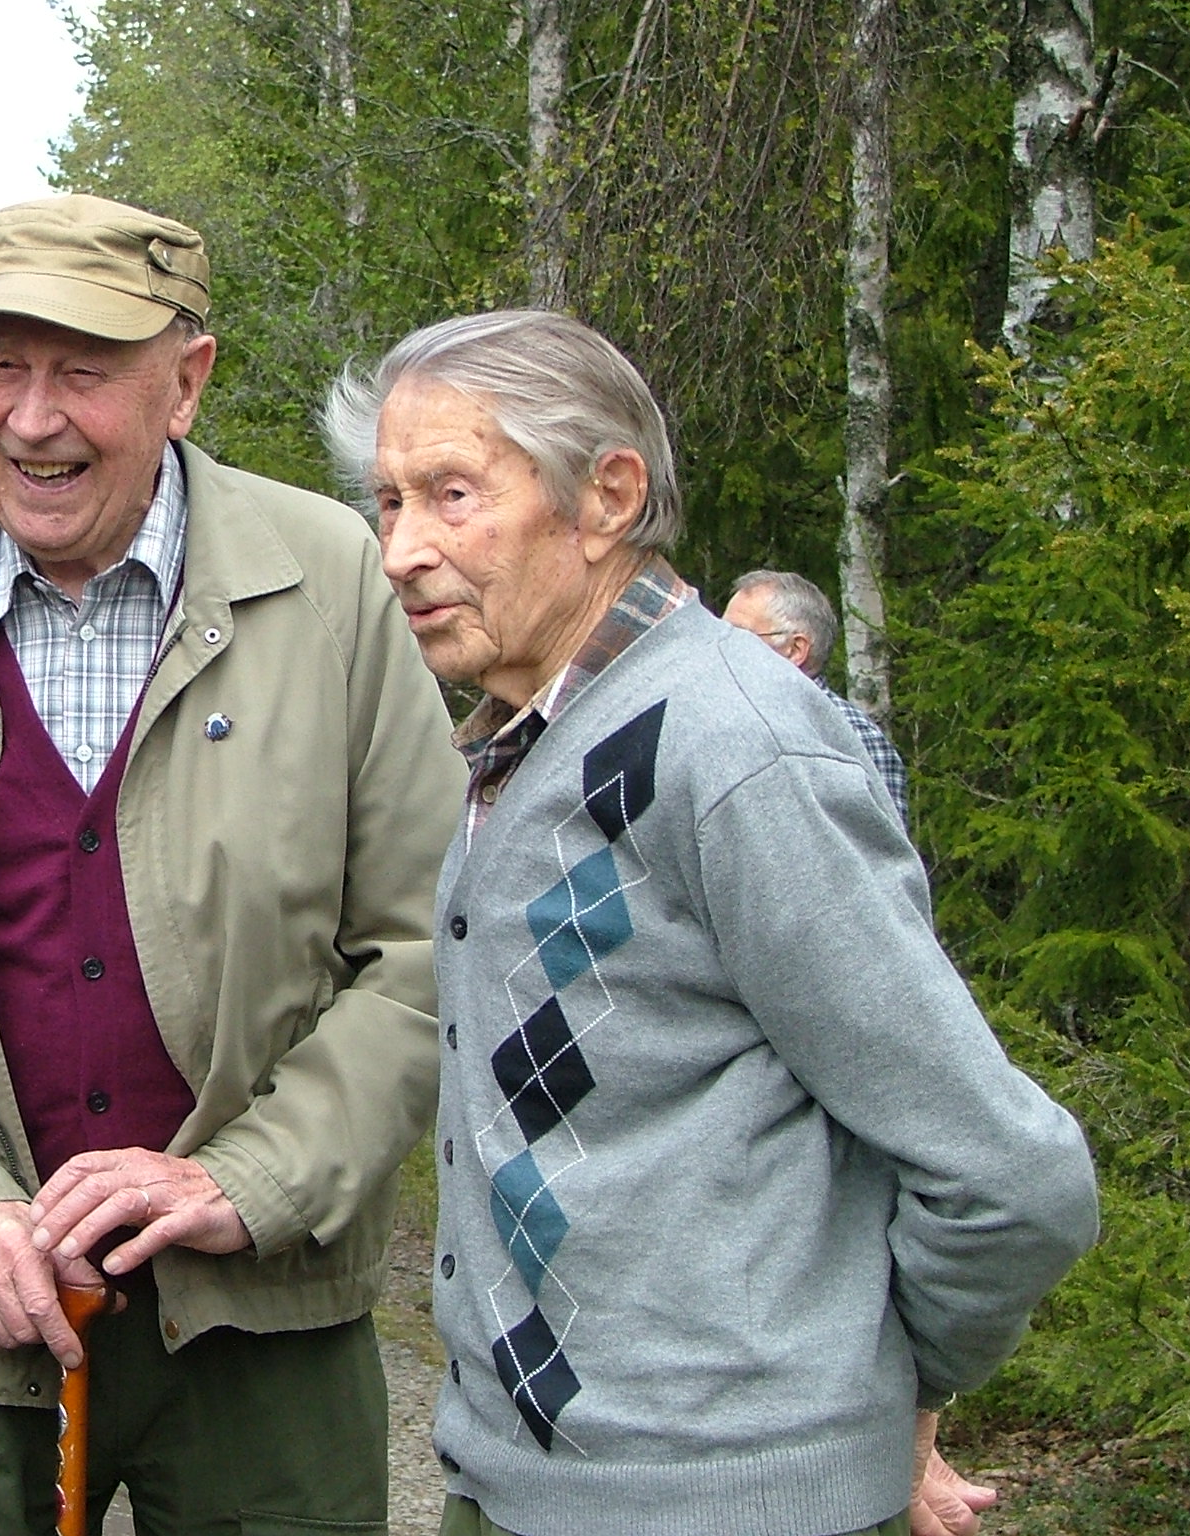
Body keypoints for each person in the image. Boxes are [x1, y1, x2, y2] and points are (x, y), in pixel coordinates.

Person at [0, 194, 464, 1535]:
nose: (31, 418)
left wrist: (249, 1181)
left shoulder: (330, 584)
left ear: (185, 383)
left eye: (81, 371)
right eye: (1, 366)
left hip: (265, 1318)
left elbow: (430, 948)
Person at [325, 309, 1100, 1536]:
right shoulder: (523, 745)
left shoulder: (734, 744)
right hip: (520, 1486)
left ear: (607, 496)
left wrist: (890, 1388)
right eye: (387, 502)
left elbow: (1010, 1175)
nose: (400, 552)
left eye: (451, 495)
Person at [723, 567, 909, 823]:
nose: (718, 648)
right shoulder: (729, 725)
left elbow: (884, 844)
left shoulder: (851, 737)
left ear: (794, 649)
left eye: (735, 635)